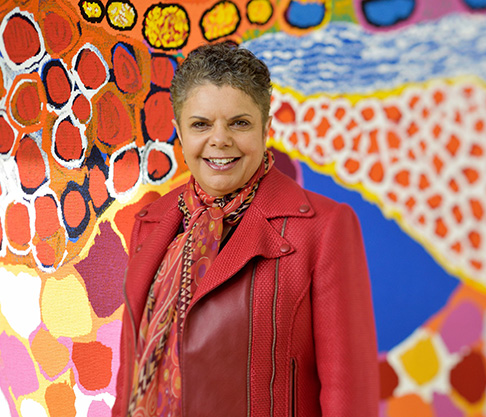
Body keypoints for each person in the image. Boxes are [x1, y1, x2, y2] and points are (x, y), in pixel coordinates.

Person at [113, 42, 379, 417]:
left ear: (266, 128)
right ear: (179, 132)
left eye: (239, 123)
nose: (219, 140)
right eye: (201, 124)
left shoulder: (324, 227)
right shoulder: (152, 222)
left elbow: (351, 397)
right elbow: (131, 378)